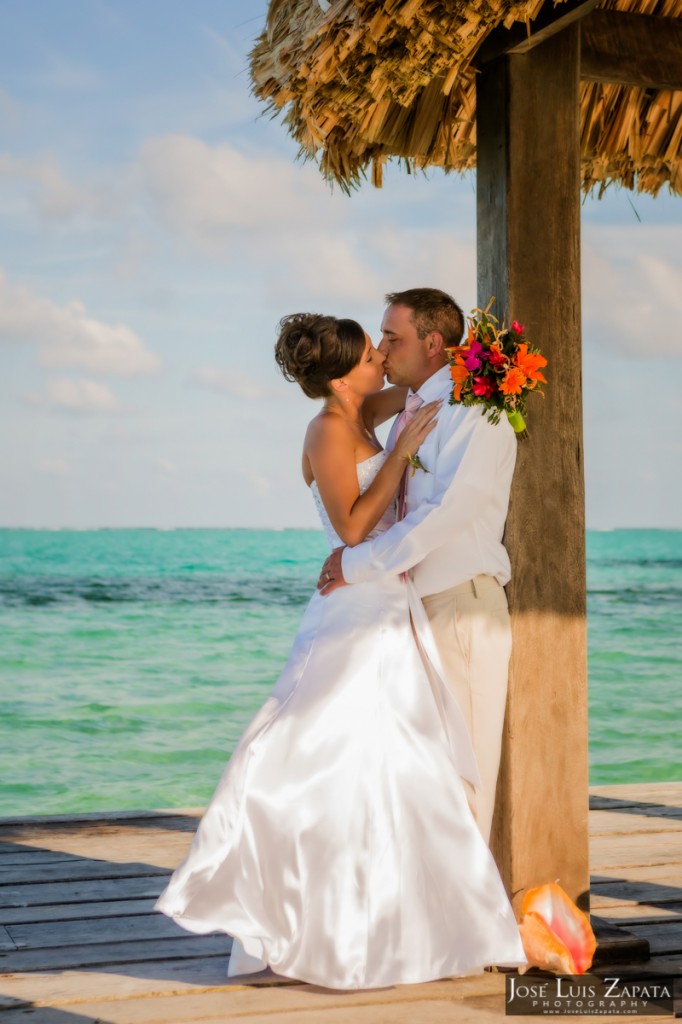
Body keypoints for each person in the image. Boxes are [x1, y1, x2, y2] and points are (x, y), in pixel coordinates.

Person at [155, 312, 524, 990]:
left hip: (392, 604)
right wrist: (402, 448)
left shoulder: (366, 409)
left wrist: (492, 368)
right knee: (319, 754)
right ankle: (294, 906)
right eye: (369, 351)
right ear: (340, 372)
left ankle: (397, 918)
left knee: (395, 768)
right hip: (354, 607)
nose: (382, 357)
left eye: (385, 343)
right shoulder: (327, 428)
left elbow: (429, 387)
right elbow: (355, 526)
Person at [318, 288, 517, 846]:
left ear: (433, 343)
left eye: (392, 338)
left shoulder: (475, 410)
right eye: (379, 338)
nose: (381, 350)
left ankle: (473, 927)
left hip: (460, 608)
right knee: (419, 778)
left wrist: (356, 564)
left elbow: (445, 514)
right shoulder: (409, 407)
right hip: (407, 612)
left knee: (466, 772)